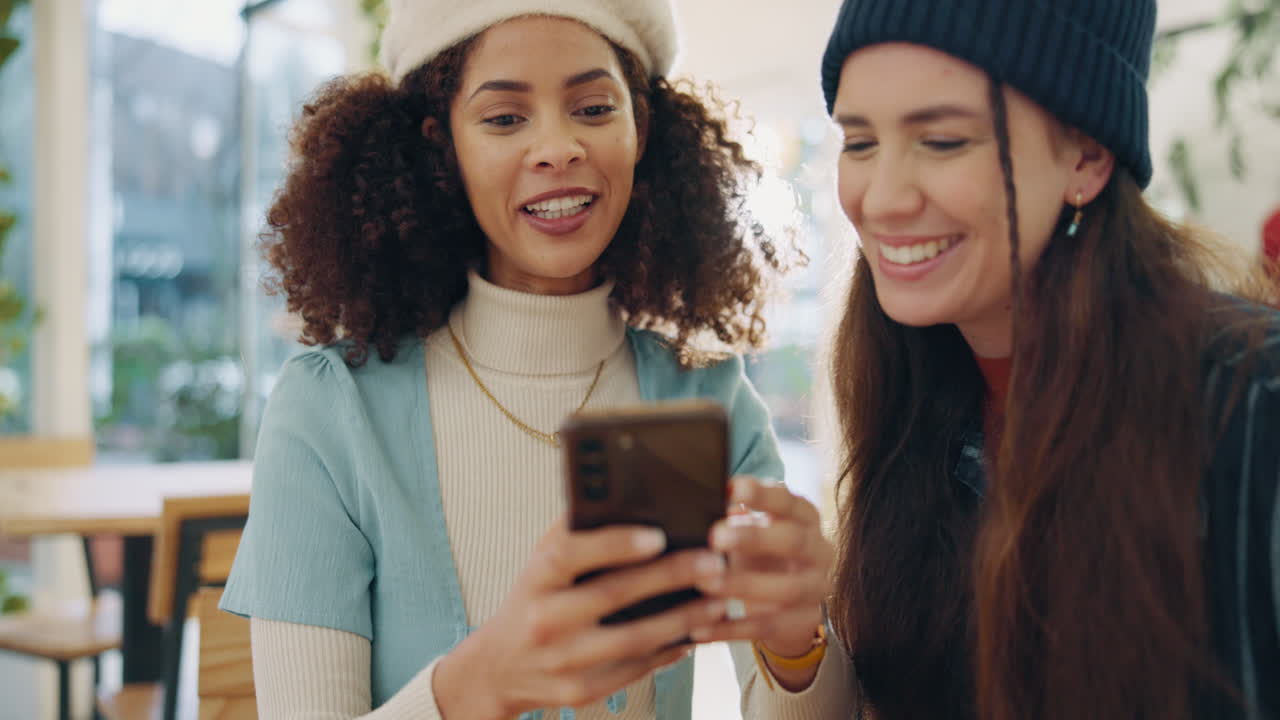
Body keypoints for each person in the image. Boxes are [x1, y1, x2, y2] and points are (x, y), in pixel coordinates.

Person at [221, 1, 855, 718]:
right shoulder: (333, 412)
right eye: (504, 118)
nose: (558, 147)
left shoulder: (707, 395)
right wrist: (487, 679)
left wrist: (796, 638)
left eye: (592, 108)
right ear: (442, 148)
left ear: (639, 130)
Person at [818, 1, 1280, 719]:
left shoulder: (1255, 402)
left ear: (1088, 156)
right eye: (859, 142)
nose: (881, 199)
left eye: (941, 141)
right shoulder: (914, 407)